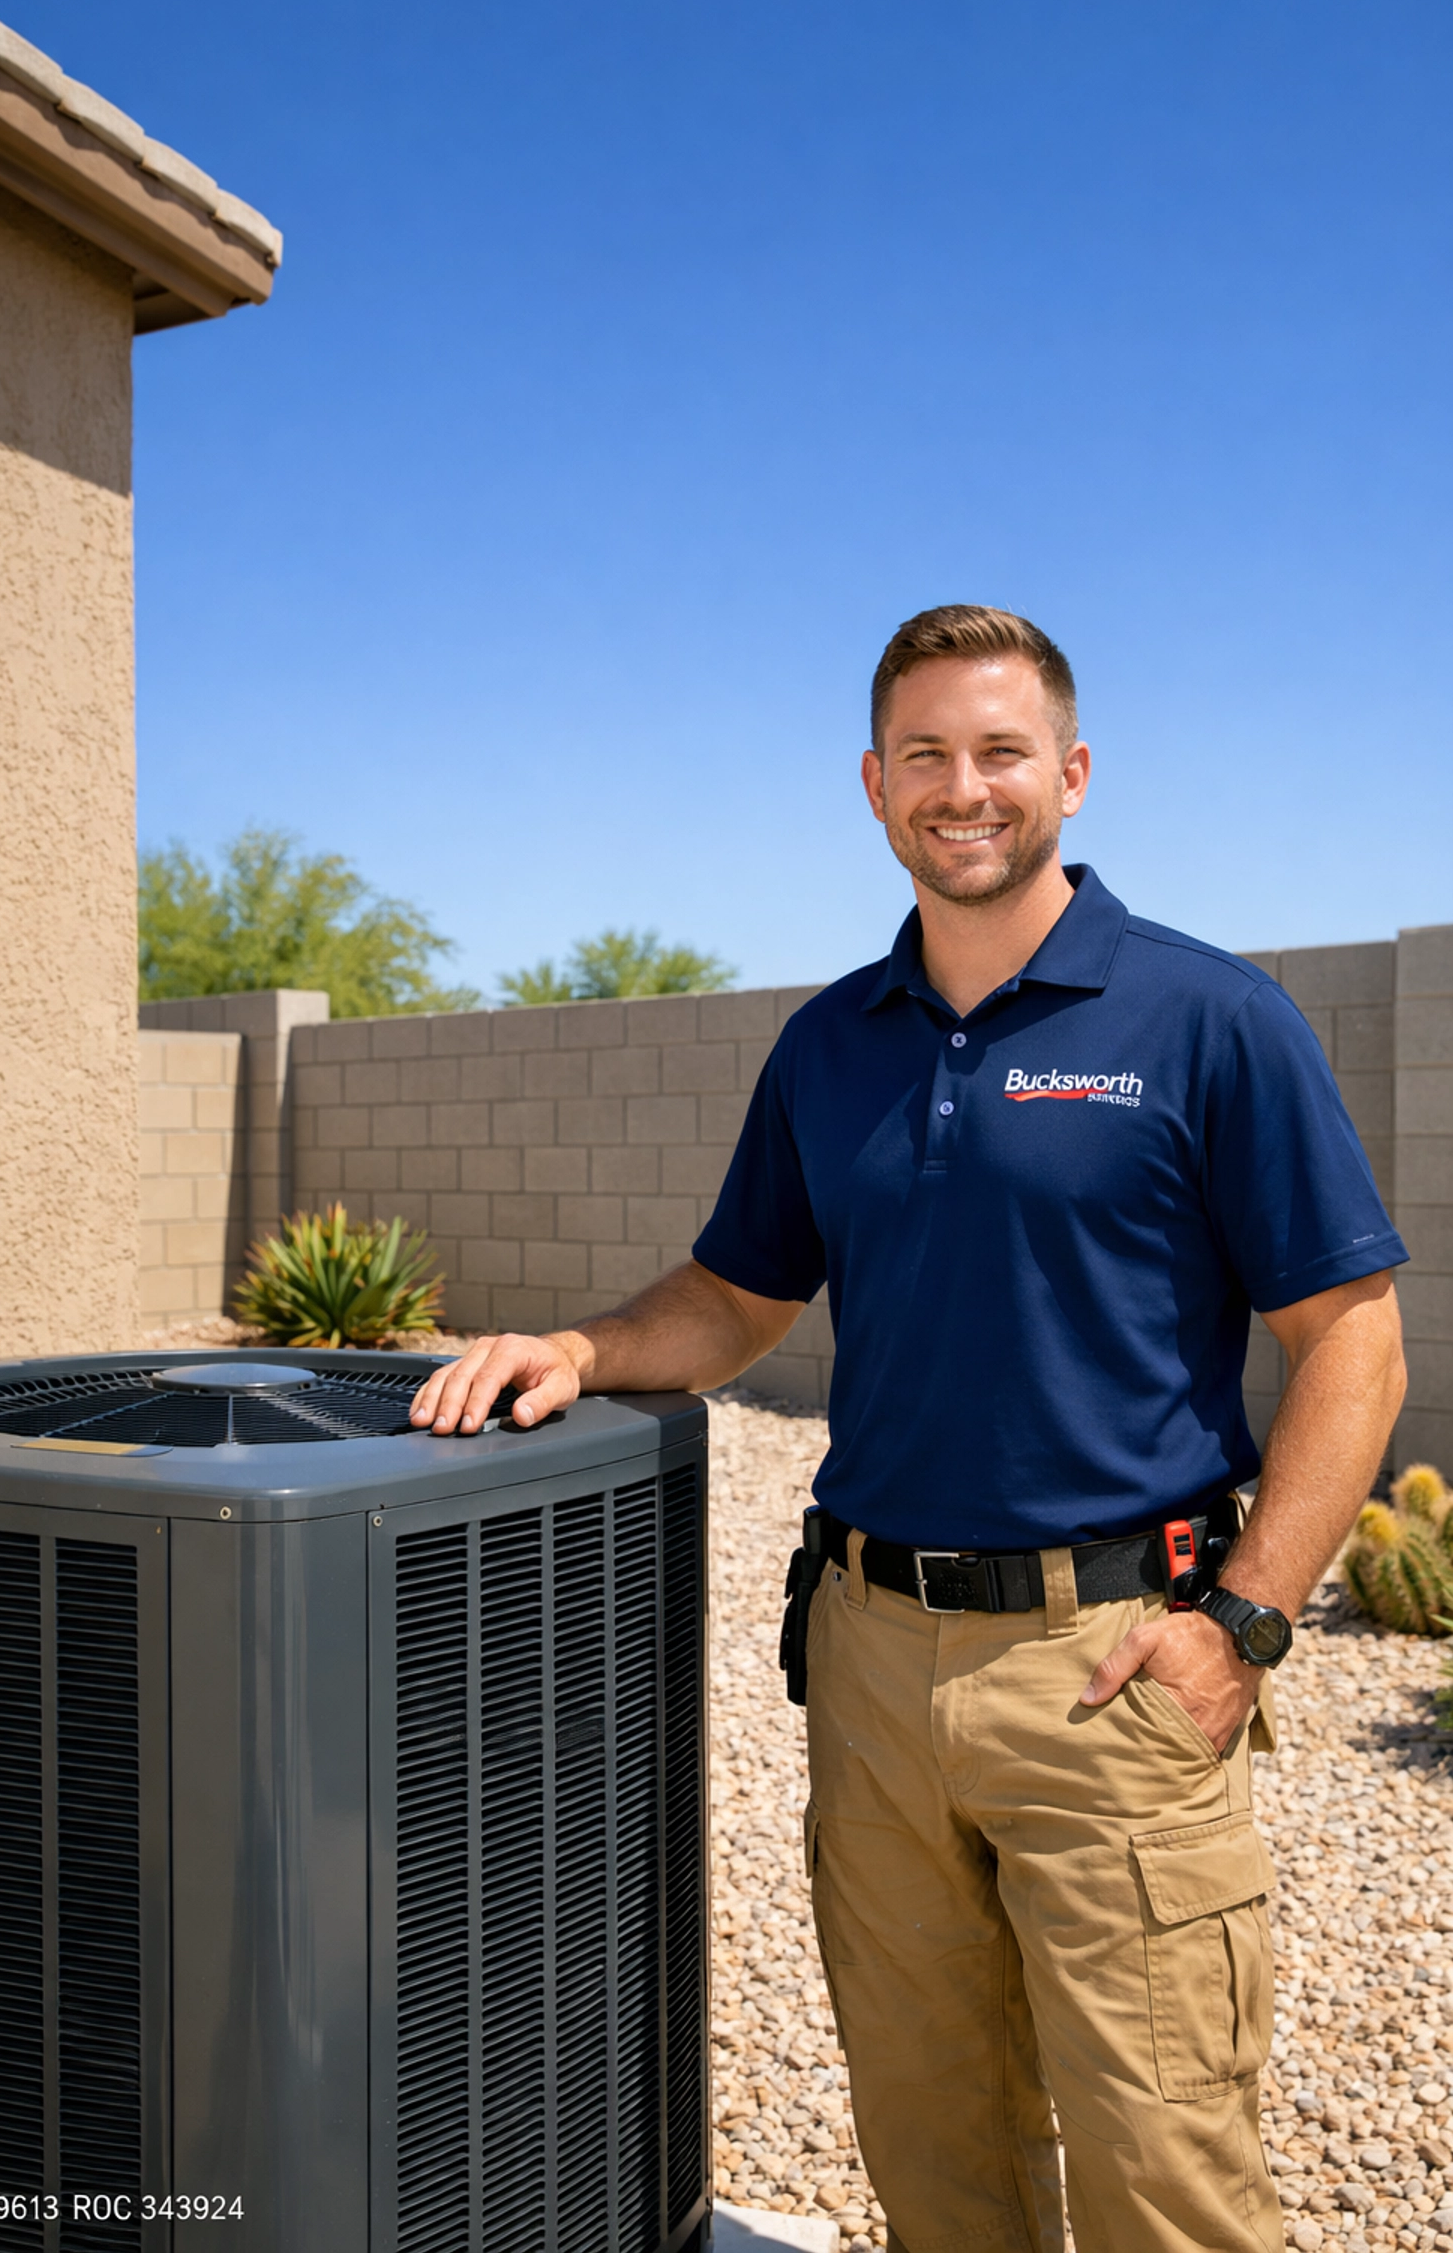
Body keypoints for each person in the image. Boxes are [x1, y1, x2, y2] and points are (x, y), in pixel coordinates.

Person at [409, 604, 1408, 2253]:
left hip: (1115, 1668)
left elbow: (1351, 1341)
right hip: (871, 1669)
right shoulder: (830, 1047)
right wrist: (581, 1346)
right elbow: (739, 1299)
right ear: (873, 786)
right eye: (927, 756)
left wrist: (1243, 1624)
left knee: (1170, 2181)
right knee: (934, 2158)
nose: (967, 788)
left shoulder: (1208, 1020)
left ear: (1071, 776)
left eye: (1002, 752)